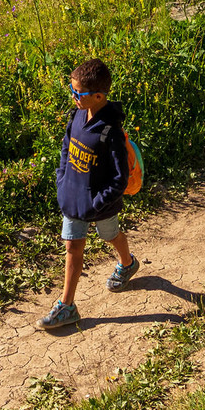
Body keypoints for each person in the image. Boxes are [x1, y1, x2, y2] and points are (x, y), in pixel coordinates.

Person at [40, 57, 137, 332]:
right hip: (72, 197)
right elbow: (66, 149)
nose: (73, 97)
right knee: (73, 246)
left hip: (99, 204)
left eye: (78, 93)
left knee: (109, 235)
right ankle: (67, 306)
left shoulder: (111, 131)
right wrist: (61, 178)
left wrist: (97, 203)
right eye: (71, 91)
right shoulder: (78, 115)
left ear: (97, 95)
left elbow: (121, 178)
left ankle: (127, 263)